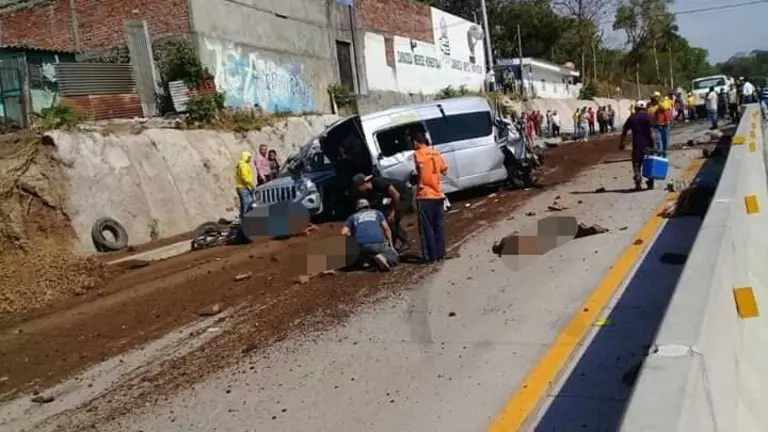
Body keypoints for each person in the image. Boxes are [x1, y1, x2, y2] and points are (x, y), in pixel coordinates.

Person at [411, 127, 448, 264]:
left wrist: (420, 183)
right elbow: (444, 170)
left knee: (427, 228)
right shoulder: (435, 152)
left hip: (425, 194)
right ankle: (440, 254)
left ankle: (430, 257)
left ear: (417, 142)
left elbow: (420, 167)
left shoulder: (418, 153)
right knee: (438, 226)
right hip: (438, 194)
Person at [353, 173, 413, 252]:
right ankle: (392, 244)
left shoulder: (379, 182)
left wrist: (393, 211)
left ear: (363, 184)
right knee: (387, 219)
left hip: (403, 195)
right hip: (393, 199)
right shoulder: (371, 191)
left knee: (393, 220)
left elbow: (396, 194)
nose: (358, 190)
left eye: (358, 187)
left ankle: (405, 242)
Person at [341, 198, 398, 271]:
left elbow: (343, 233)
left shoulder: (352, 217)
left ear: (357, 208)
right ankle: (383, 257)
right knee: (393, 255)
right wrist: (391, 246)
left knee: (361, 254)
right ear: (368, 206)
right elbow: (386, 229)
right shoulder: (377, 213)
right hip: (377, 244)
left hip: (360, 245)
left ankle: (365, 261)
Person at [620, 101, 657, 191]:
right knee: (648, 163)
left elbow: (624, 130)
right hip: (648, 145)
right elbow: (652, 132)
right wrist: (654, 145)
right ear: (644, 108)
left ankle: (638, 180)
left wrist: (622, 142)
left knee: (636, 164)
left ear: (635, 108)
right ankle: (650, 182)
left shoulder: (631, 118)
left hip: (637, 145)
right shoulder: (648, 117)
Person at [647, 91, 672, 157]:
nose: (654, 99)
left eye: (655, 98)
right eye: (653, 98)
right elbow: (649, 114)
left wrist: (659, 102)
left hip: (665, 125)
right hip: (657, 126)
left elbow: (665, 107)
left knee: (665, 140)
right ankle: (660, 154)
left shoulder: (664, 102)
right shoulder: (651, 106)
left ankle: (664, 153)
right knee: (659, 140)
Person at [235, 151, 256, 218]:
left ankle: (242, 217)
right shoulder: (243, 166)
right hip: (243, 187)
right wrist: (251, 185)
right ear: (245, 157)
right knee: (248, 203)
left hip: (240, 187)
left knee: (243, 204)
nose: (250, 159)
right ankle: (247, 218)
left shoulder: (240, 165)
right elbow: (245, 178)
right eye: (249, 157)